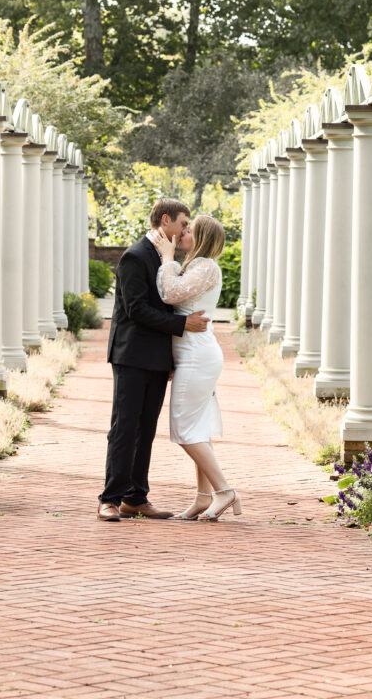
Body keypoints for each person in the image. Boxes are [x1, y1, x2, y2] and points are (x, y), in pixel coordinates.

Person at [97, 199, 210, 522]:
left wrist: (174, 355)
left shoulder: (168, 258)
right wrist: (182, 325)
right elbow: (135, 309)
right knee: (124, 427)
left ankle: (136, 498)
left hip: (158, 357)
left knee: (146, 429)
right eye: (183, 224)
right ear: (165, 220)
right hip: (131, 354)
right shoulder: (134, 256)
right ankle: (109, 499)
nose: (186, 230)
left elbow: (170, 302)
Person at [153, 215, 242, 522]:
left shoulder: (206, 266)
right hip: (191, 355)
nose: (183, 233)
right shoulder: (197, 266)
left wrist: (167, 259)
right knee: (197, 428)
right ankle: (203, 497)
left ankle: (224, 490)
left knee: (184, 429)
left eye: (189, 230)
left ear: (201, 237)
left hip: (197, 356)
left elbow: (170, 294)